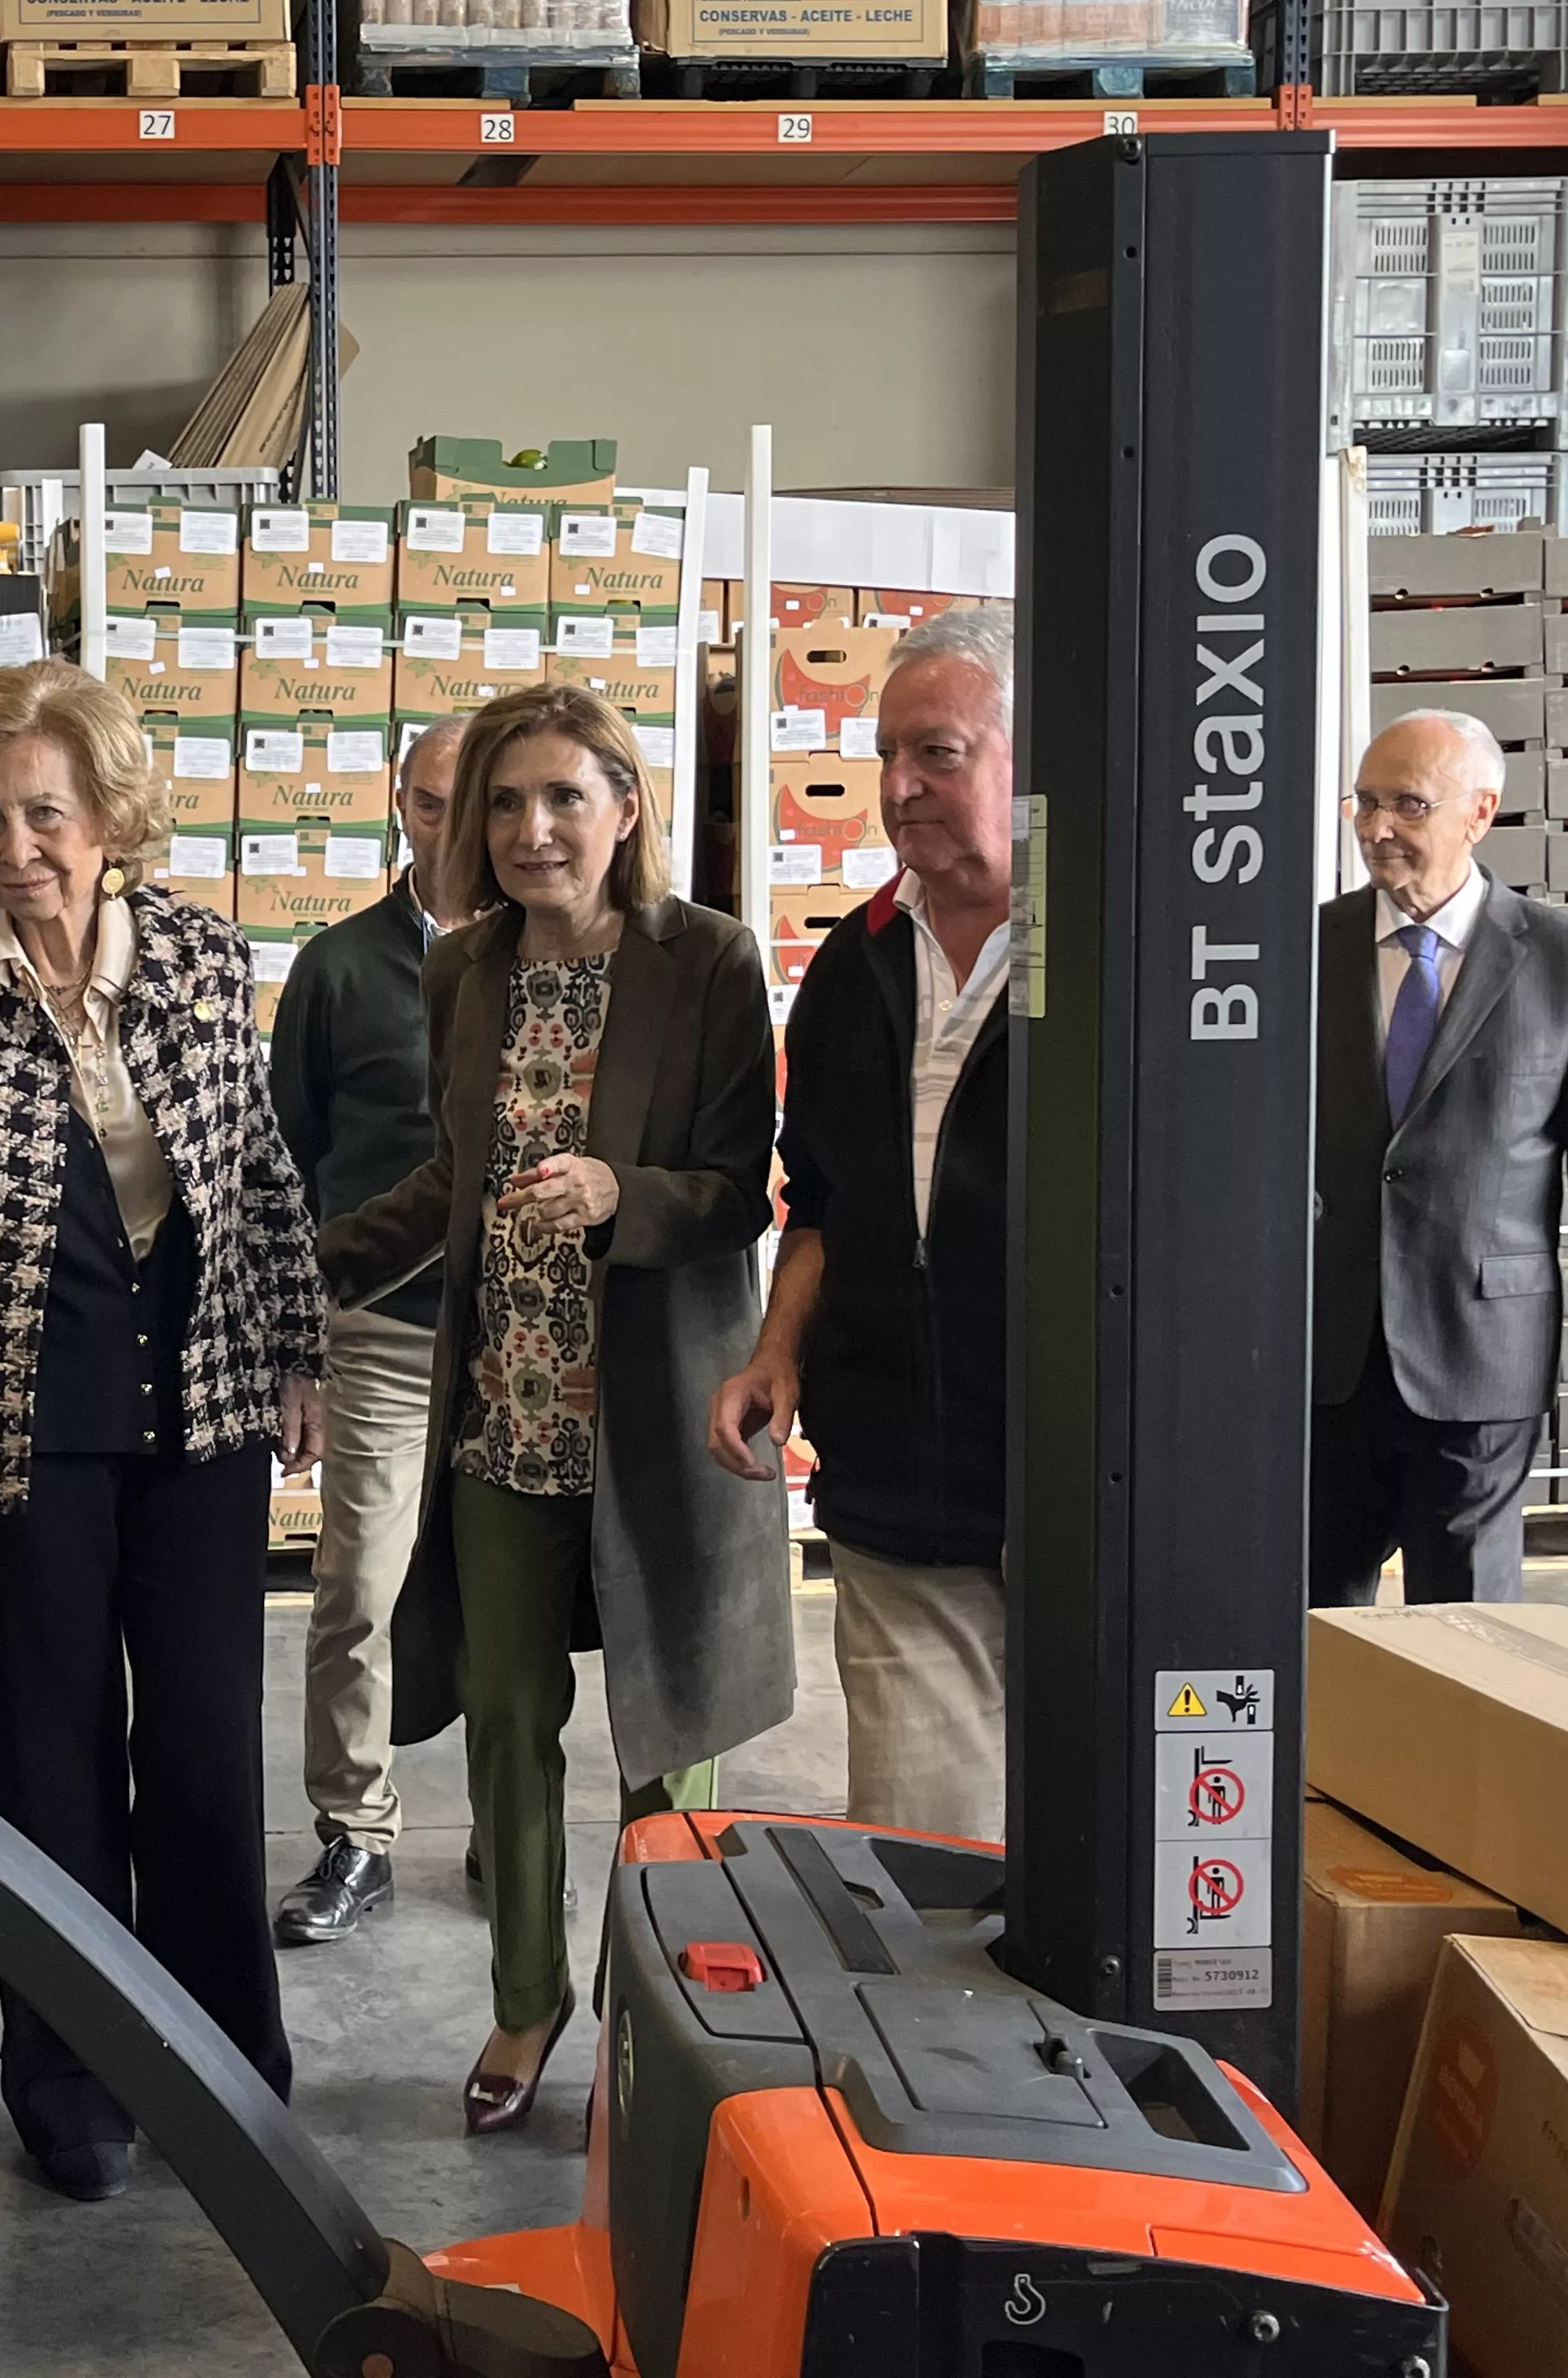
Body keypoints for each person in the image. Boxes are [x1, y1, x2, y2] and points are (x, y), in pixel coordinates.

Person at [0, 658, 321, 2203]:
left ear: (109, 814)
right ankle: (73, 2082)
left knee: (201, 1750)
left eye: (42, 812)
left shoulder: (199, 953)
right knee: (49, 1772)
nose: (14, 846)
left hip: (201, 1417)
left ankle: (233, 2067)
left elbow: (256, 1174)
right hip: (16, 1436)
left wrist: (299, 1347)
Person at [322, 681, 788, 2136]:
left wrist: (614, 1194)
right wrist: (300, 1265)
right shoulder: (461, 971)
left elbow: (735, 1188)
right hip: (501, 1412)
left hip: (657, 1414)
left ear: (625, 806)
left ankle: (665, 2023)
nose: (532, 830)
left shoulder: (705, 959)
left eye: (563, 798)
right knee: (506, 1718)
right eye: (504, 804)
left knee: (669, 1742)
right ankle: (526, 1999)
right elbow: (444, 1183)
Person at [707, 607, 1017, 1846]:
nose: (897, 789)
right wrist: (778, 1353)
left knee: (1095, 1854)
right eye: (889, 755)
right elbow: (819, 1201)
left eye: (937, 754)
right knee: (929, 1851)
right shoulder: (857, 964)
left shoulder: (1123, 955)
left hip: (1081, 1494)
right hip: (893, 1484)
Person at [1311, 711, 1568, 1606]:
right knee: (1310, 1617)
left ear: (1481, 812)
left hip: (1482, 1352)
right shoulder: (1302, 952)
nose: (1377, 828)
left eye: (1408, 806)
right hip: (1325, 1348)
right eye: (1366, 803)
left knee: (1467, 1626)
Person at [265, 712, 469, 1947]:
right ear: (398, 806)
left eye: (476, 799)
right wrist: (298, 1351)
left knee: (513, 1592)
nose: (453, 826)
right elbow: (282, 1169)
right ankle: (355, 1833)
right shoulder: (339, 968)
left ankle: (512, 1821)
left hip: (523, 1341)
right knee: (361, 1589)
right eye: (430, 801)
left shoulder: (552, 956)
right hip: (380, 1332)